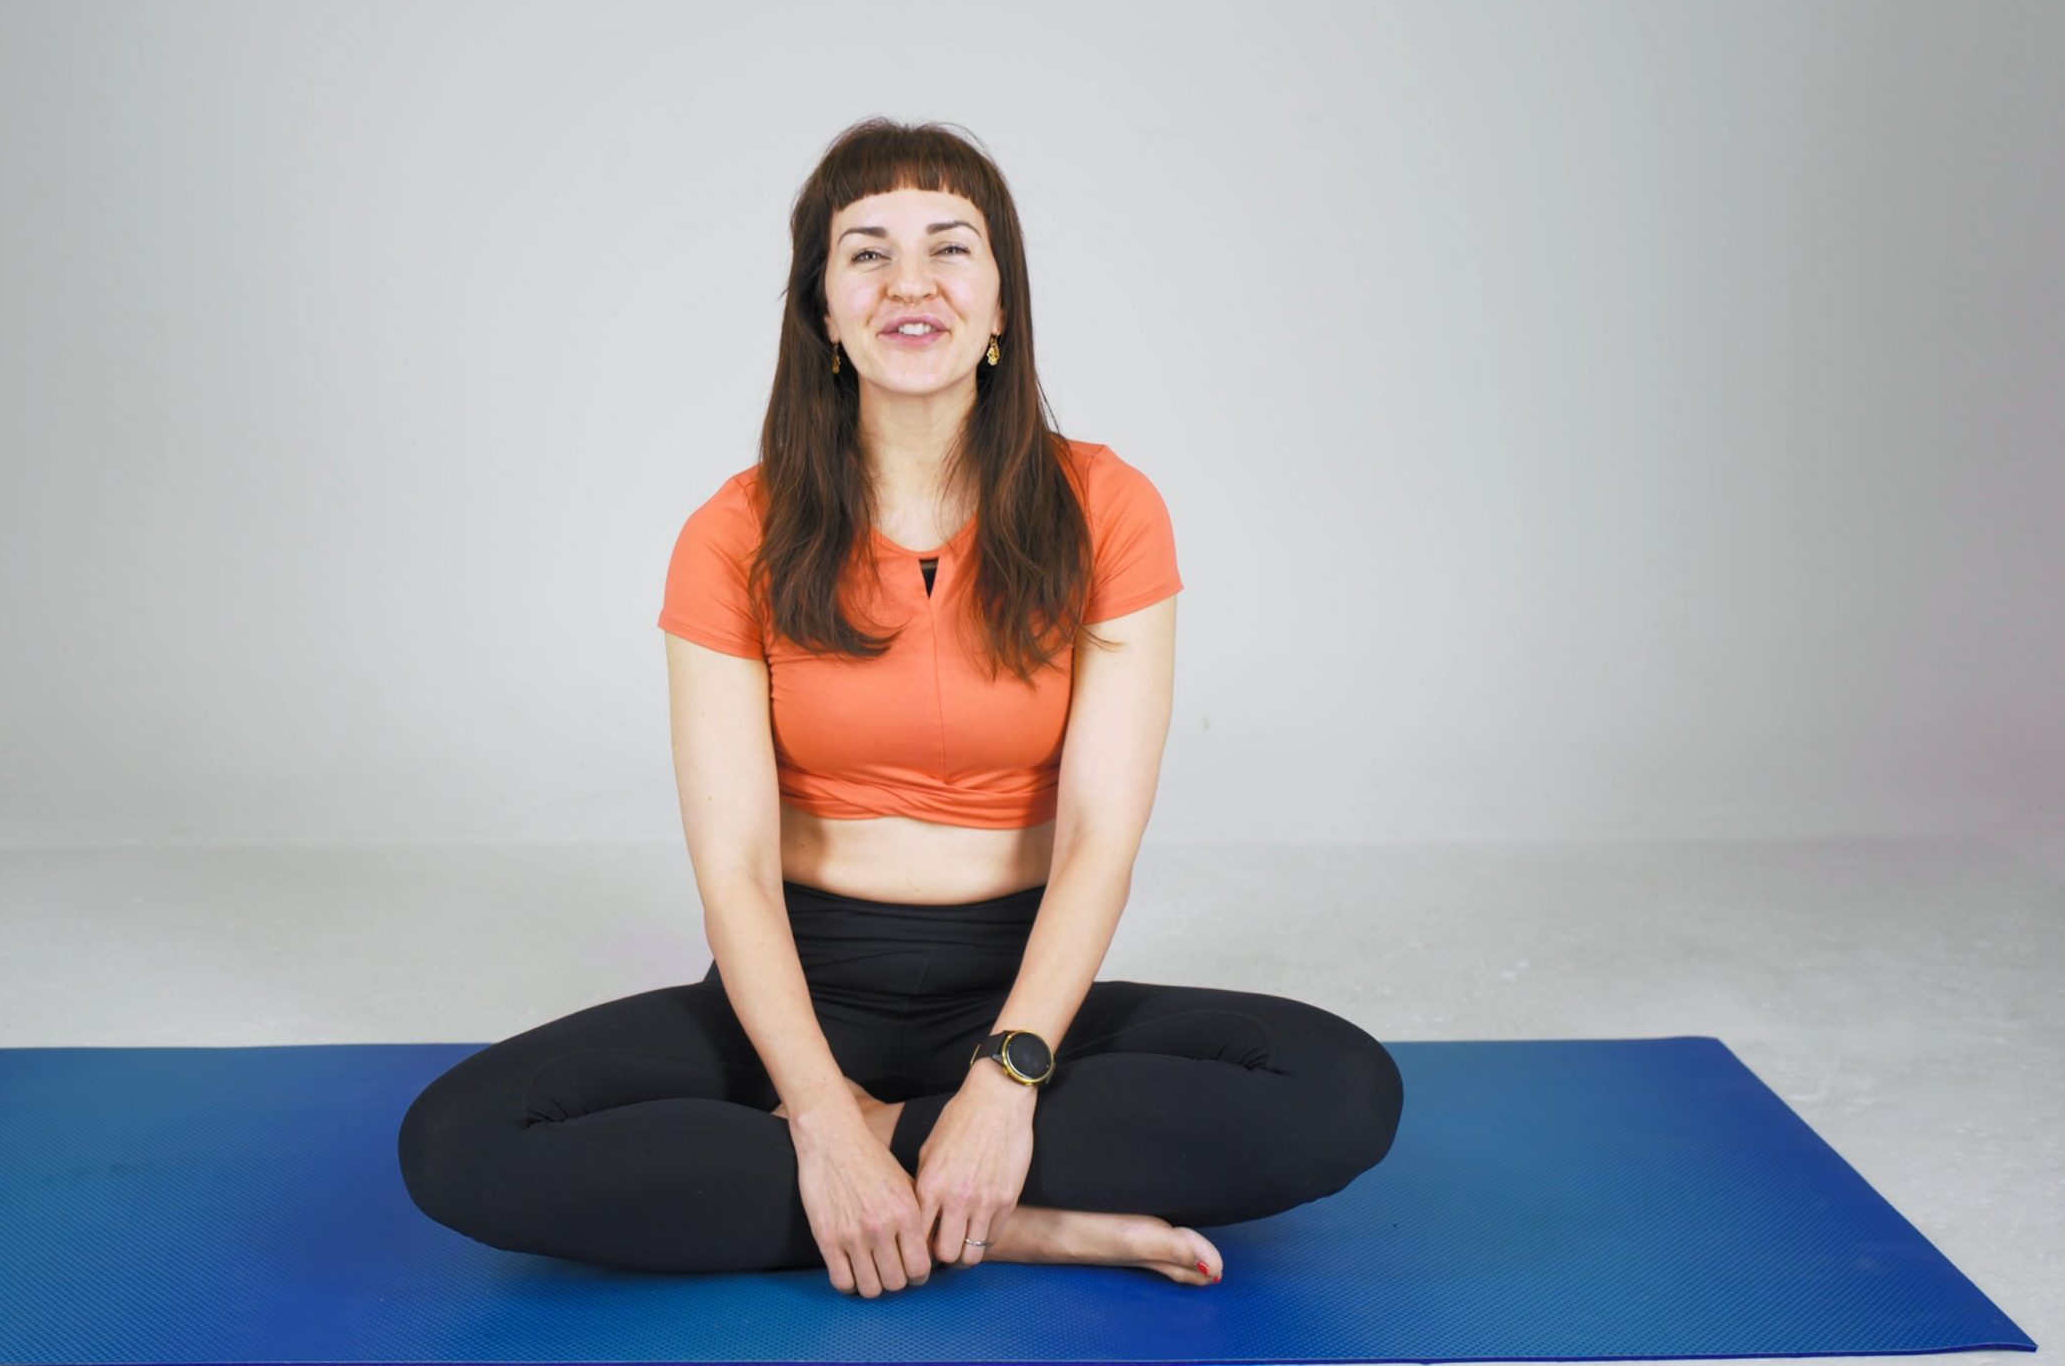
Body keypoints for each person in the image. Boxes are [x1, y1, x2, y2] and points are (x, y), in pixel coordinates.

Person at [398, 118, 1402, 1297]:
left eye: (950, 247)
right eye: (864, 252)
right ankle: (1015, 1220)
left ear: (1000, 307)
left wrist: (1005, 1081)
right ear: (823, 312)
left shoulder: (1107, 506)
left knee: (1340, 1091)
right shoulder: (734, 532)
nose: (909, 281)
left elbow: (1097, 840)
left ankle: (936, 1181)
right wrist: (822, 1114)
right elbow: (731, 869)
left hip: (1021, 977)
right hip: (801, 979)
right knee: (460, 1144)